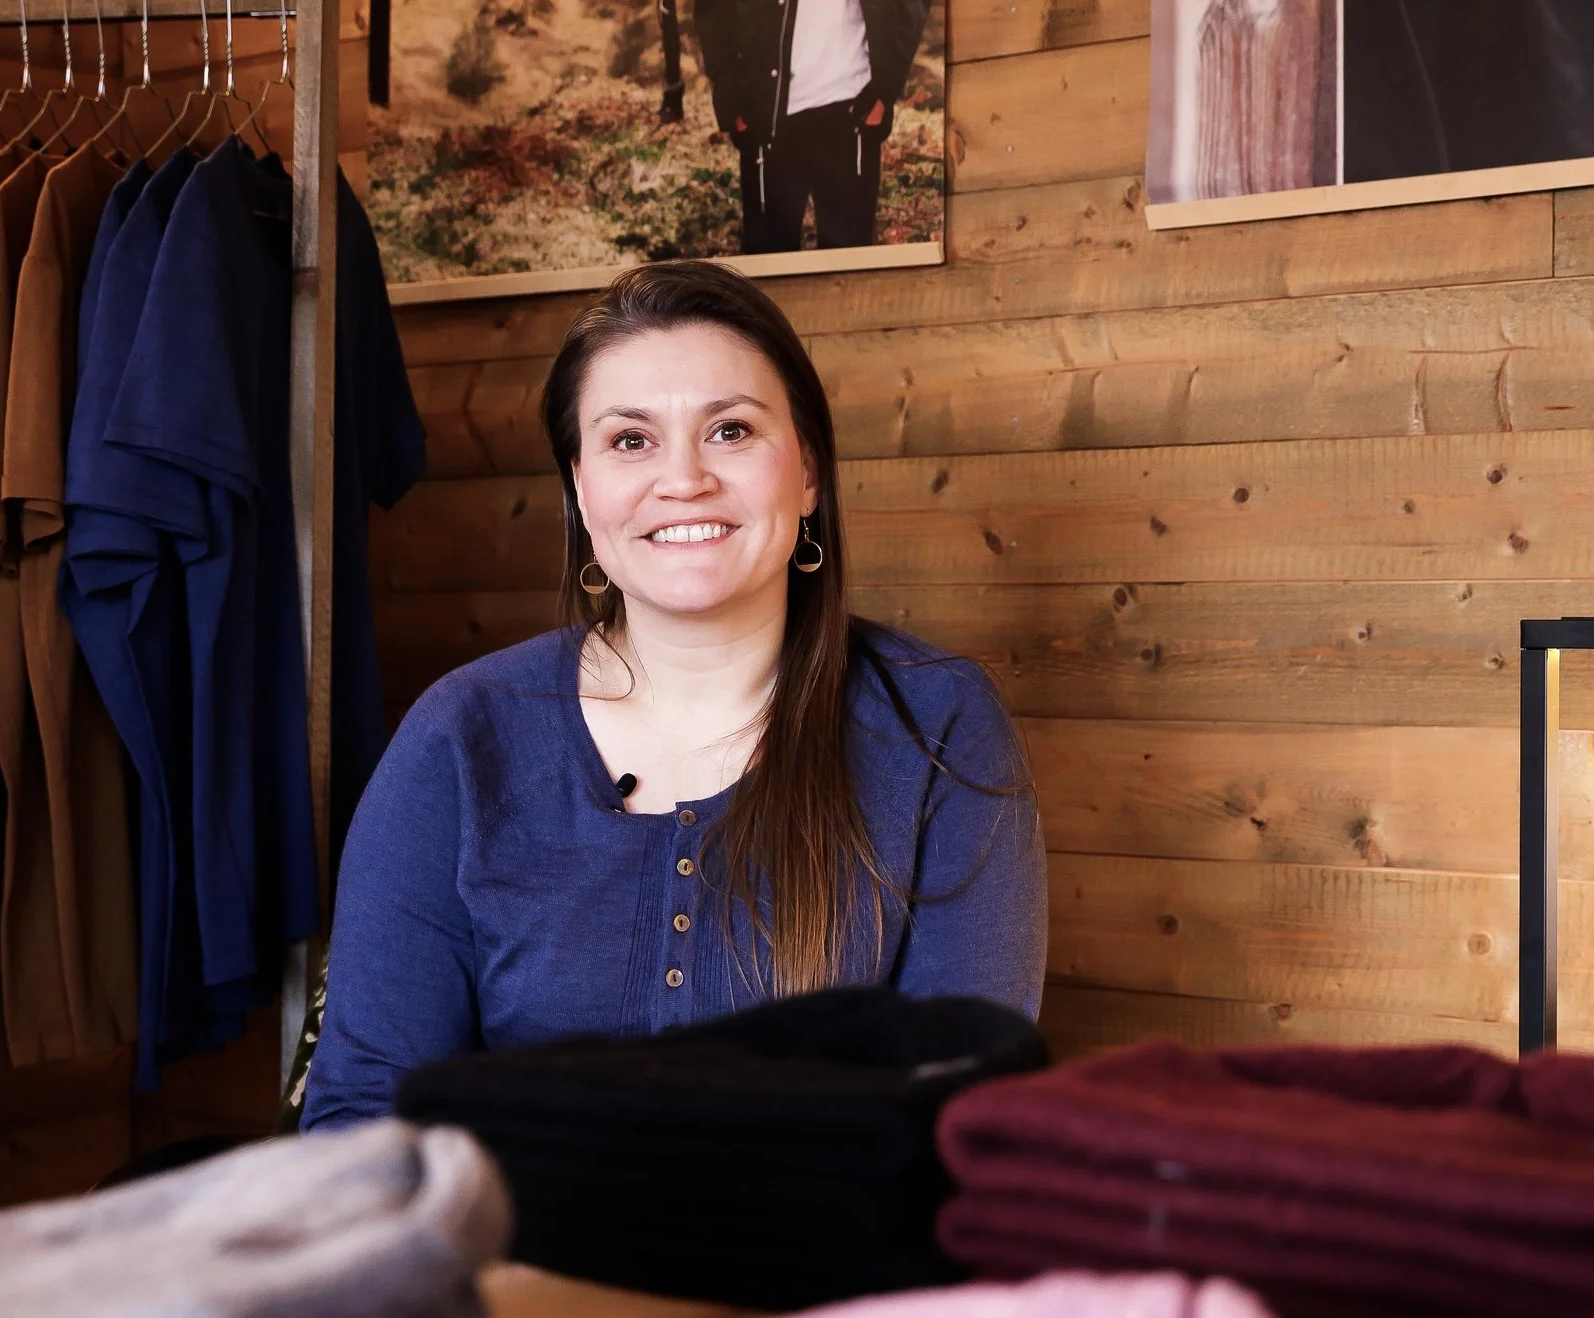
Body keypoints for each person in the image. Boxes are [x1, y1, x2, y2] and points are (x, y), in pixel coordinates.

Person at [299, 262, 1048, 1130]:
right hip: (512, 1263)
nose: (683, 479)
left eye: (730, 431)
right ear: (581, 491)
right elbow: (363, 1110)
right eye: (630, 440)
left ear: (808, 473)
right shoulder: (461, 737)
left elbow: (963, 1118)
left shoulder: (938, 727)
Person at [694, 0, 931, 252]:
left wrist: (885, 91)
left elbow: (912, 6)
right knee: (769, 260)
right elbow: (713, 13)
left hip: (850, 114)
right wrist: (732, 105)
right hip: (766, 121)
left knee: (850, 263)